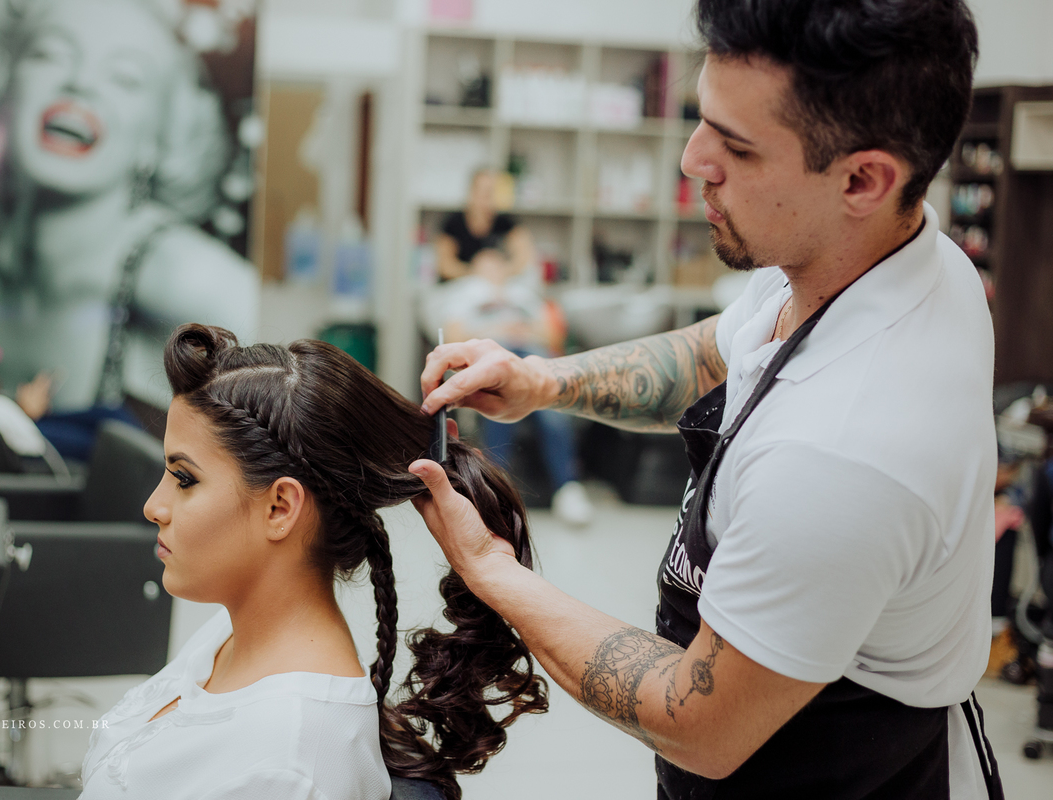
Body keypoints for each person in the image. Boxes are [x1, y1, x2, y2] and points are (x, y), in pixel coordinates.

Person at [411, 1, 1005, 797]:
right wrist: (542, 381)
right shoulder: (867, 254)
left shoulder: (842, 456)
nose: (693, 160)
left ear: (864, 179)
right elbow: (714, 354)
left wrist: (491, 567)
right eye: (703, 120)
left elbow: (699, 721)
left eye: (737, 147)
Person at [78, 324, 547, 800]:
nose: (153, 507)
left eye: (184, 479)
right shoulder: (231, 635)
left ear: (280, 507)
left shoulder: (289, 767)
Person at [0, 0, 258, 460]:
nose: (80, 83)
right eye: (50, 55)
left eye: (125, 77)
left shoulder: (190, 280)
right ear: (0, 90)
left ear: (160, 136)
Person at [432, 170, 592, 524]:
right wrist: (499, 330)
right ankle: (496, 491)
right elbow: (456, 337)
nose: (492, 265)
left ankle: (568, 488)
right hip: (494, 349)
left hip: (529, 351)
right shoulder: (465, 293)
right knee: (499, 392)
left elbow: (551, 336)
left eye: (498, 261)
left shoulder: (522, 294)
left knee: (550, 398)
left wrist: (525, 330)